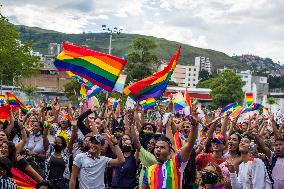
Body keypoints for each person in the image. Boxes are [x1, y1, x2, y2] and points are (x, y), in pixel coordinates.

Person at [141, 113, 198, 189]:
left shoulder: (177, 163)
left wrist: (194, 125)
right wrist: (167, 124)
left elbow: (190, 144)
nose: (158, 149)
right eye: (156, 147)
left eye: (162, 147)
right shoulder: (149, 170)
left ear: (169, 151)